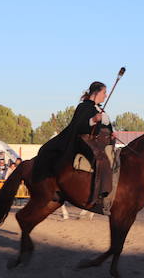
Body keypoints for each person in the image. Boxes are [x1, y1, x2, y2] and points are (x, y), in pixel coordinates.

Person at [32, 81, 113, 210]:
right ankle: (99, 194)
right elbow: (79, 126)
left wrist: (111, 133)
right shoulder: (84, 107)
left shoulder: (99, 109)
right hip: (82, 140)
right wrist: (93, 120)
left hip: (97, 142)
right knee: (101, 159)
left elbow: (105, 127)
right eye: (104, 92)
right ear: (96, 92)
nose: (106, 95)